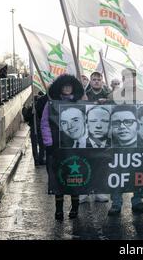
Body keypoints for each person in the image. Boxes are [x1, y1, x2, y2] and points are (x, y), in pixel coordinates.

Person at [40, 74, 84, 220]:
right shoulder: (51, 103)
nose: (66, 88)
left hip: (75, 148)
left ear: (73, 87)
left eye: (69, 86)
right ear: (59, 87)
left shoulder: (79, 102)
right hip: (56, 147)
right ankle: (59, 209)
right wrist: (48, 142)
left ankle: (75, 208)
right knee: (57, 177)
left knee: (75, 177)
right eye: (64, 86)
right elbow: (44, 123)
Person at [107, 105, 143, 215]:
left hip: (138, 156)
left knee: (140, 173)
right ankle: (116, 203)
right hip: (117, 156)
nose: (122, 126)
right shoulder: (107, 145)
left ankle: (137, 201)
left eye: (128, 122)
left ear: (137, 125)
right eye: (116, 123)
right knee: (116, 174)